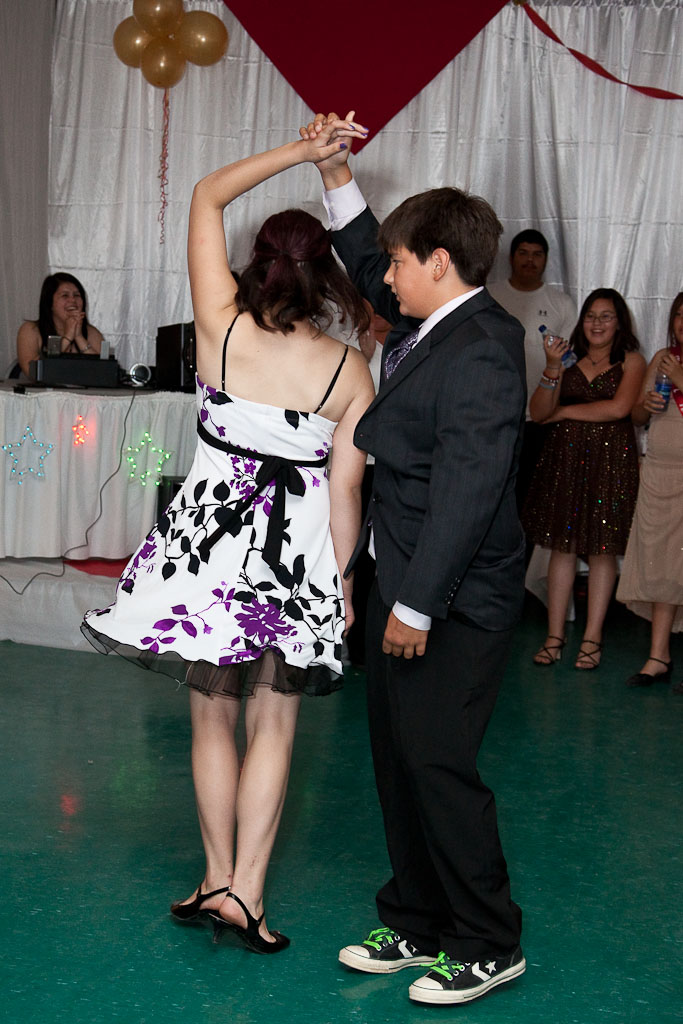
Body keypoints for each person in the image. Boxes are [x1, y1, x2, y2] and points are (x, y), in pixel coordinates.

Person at [82, 124, 375, 953]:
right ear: (325, 274)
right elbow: (346, 491)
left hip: (203, 552)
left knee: (211, 718)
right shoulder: (348, 371)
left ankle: (213, 879)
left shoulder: (219, 326)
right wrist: (344, 584)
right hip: (293, 560)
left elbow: (206, 193)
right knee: (273, 727)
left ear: (258, 262)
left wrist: (301, 151)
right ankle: (245, 894)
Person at [302, 111, 527, 1006]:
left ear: (438, 262)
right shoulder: (433, 320)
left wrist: (415, 605)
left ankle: (488, 940)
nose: (383, 277)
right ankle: (417, 920)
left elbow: (469, 493)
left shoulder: (482, 350)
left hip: (450, 600)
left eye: (398, 262)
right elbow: (364, 263)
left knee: (438, 766)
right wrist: (336, 174)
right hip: (402, 576)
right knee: (399, 764)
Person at [522, 289, 645, 669]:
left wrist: (564, 413)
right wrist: (551, 367)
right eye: (591, 315)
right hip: (565, 461)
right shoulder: (566, 357)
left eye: (606, 316)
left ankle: (592, 639)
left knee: (602, 550)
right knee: (562, 548)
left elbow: (619, 408)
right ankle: (554, 636)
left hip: (611, 463)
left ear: (620, 323)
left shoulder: (632, 360)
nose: (596, 323)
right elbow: (539, 412)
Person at [616, 292, 683, 693]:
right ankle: (659, 657)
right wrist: (649, 403)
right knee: (663, 565)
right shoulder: (663, 357)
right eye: (679, 315)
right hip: (660, 473)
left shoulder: (674, 367)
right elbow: (637, 415)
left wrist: (680, 380)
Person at [488, 231, 576, 521]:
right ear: (511, 257)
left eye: (537, 254)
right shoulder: (490, 296)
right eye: (523, 253)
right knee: (494, 496)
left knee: (532, 499)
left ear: (546, 260)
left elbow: (567, 362)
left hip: (539, 419)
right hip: (494, 416)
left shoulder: (561, 303)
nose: (530, 260)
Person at [16, 272, 103, 376]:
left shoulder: (92, 333)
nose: (72, 300)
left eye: (77, 295)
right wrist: (67, 337)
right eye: (65, 295)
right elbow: (32, 372)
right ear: (49, 303)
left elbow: (103, 372)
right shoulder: (30, 330)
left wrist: (79, 337)